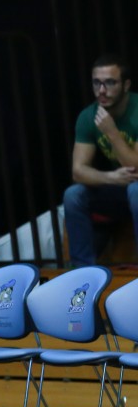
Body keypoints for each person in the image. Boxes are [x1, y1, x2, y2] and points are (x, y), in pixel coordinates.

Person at [63, 53, 138, 267]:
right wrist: (111, 177)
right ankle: (83, 273)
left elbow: (136, 168)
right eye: (97, 83)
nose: (102, 91)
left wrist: (112, 133)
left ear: (126, 85)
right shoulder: (89, 116)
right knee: (74, 194)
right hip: (122, 186)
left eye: (110, 83)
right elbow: (78, 171)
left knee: (136, 190)